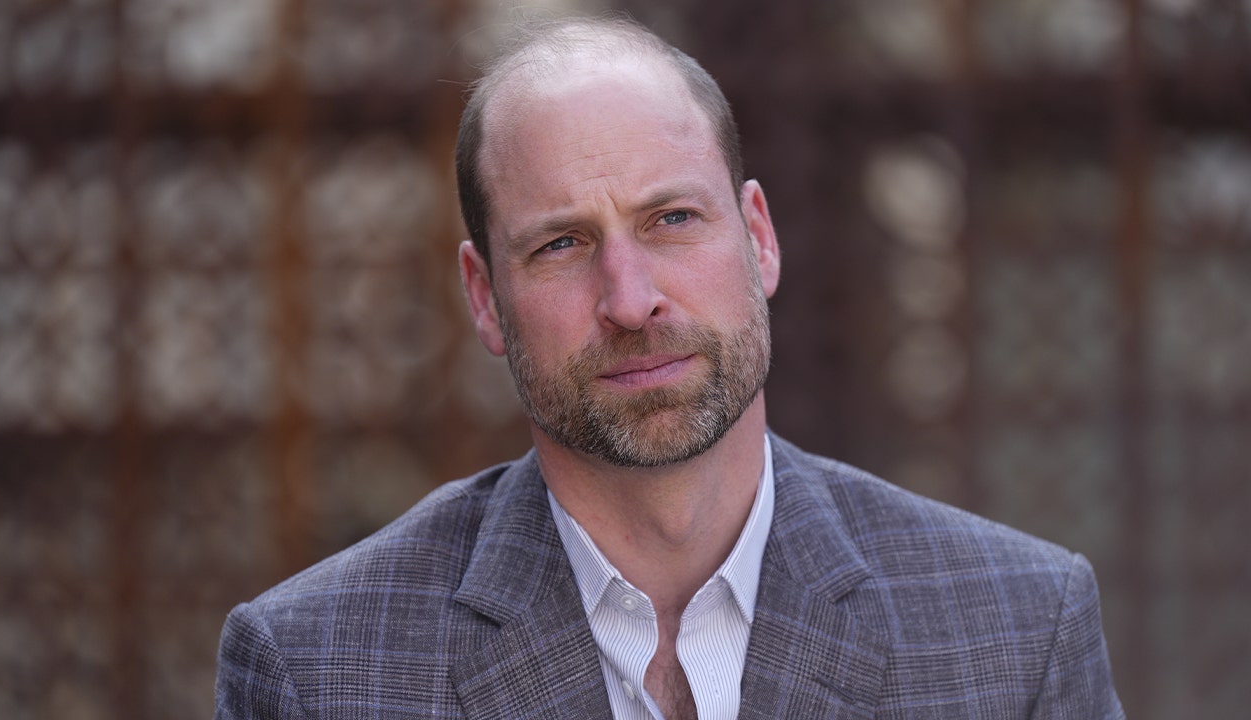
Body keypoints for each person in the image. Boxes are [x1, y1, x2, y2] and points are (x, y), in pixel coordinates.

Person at [215, 15, 1123, 720]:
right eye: (562, 244)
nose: (630, 298)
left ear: (759, 238)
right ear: (485, 297)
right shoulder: (315, 671)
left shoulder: (1018, 633)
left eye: (672, 220)